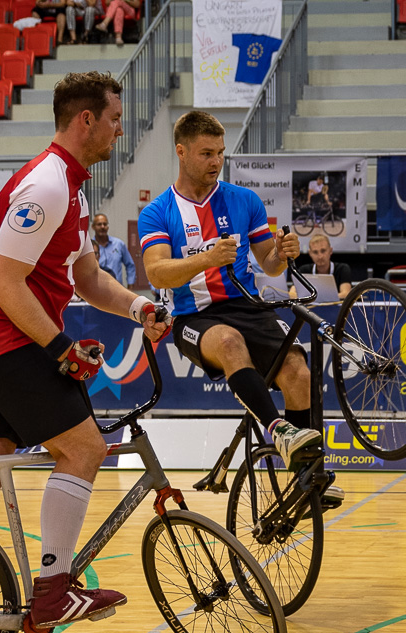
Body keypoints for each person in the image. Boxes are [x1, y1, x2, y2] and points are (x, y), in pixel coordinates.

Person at [0, 72, 170, 629]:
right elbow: (4, 283)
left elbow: (88, 279)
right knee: (84, 448)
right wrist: (61, 346)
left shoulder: (73, 187)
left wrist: (140, 308)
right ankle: (53, 590)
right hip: (3, 340)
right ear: (85, 119)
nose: (119, 131)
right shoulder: (46, 186)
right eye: (114, 119)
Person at [138, 111, 342, 506]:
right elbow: (157, 272)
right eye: (205, 153)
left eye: (220, 153)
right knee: (230, 342)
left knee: (299, 371)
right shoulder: (158, 211)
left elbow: (268, 262)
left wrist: (284, 253)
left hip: (250, 308)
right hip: (195, 318)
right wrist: (207, 259)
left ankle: (306, 479)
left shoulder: (243, 200)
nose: (216, 162)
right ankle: (277, 431)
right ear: (181, 152)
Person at [301, 233, 352, 300]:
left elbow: (346, 294)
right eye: (315, 252)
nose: (320, 256)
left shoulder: (342, 269)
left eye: (323, 251)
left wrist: (315, 298)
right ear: (310, 253)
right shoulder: (303, 270)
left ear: (330, 251)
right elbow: (292, 294)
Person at [91, 213, 136, 286]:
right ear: (93, 227)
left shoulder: (119, 244)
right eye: (99, 224)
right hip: (97, 289)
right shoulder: (90, 247)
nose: (102, 227)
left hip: (118, 289)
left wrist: (130, 284)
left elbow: (130, 264)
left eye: (105, 224)